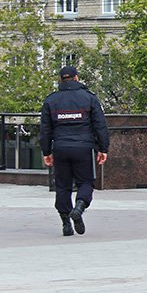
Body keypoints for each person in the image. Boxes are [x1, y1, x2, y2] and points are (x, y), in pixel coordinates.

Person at [39, 65, 110, 236]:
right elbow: (100, 125)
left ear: (60, 80)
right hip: (84, 148)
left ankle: (66, 224)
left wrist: (46, 152)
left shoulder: (51, 100)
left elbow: (45, 130)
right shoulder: (89, 98)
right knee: (86, 183)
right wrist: (103, 148)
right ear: (76, 78)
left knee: (62, 186)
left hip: (60, 148)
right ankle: (79, 207)